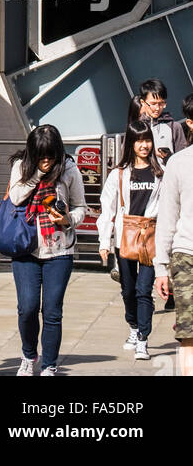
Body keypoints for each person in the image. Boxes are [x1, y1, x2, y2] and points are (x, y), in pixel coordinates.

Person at [8, 124, 87, 377]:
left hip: (59, 249)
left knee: (52, 310)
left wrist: (67, 220)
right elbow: (15, 197)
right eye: (41, 155)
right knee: (27, 307)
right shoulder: (21, 166)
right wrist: (37, 175)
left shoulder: (69, 169)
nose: (46, 161)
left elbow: (80, 207)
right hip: (26, 247)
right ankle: (29, 356)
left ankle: (50, 364)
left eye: (50, 156)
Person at [97, 118, 162, 360]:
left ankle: (143, 339)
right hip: (124, 237)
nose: (144, 145)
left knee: (144, 290)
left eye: (147, 140)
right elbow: (108, 209)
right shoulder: (119, 174)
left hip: (150, 237)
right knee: (128, 290)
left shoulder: (161, 171)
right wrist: (104, 242)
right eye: (139, 141)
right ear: (131, 144)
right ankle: (133, 327)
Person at [155, 94, 193, 377]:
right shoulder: (179, 163)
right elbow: (167, 218)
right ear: (190, 123)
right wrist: (160, 267)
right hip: (186, 256)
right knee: (189, 333)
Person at [139, 79, 188, 164]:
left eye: (161, 103)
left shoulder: (174, 126)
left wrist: (169, 157)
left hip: (167, 175)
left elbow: (182, 158)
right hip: (140, 176)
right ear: (143, 102)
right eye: (153, 104)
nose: (158, 108)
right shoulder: (135, 127)